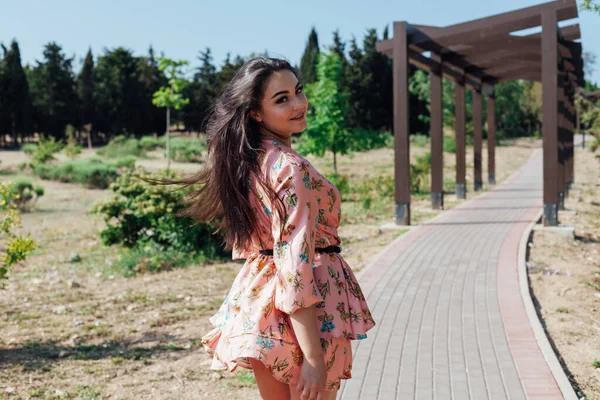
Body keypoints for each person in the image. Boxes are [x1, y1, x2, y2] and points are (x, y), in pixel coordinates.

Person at [149, 57, 375, 400]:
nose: (299, 104)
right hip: (308, 312)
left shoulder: (248, 162)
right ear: (255, 112)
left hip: (262, 303)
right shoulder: (288, 167)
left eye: (298, 91)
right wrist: (313, 357)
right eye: (281, 99)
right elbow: (295, 264)